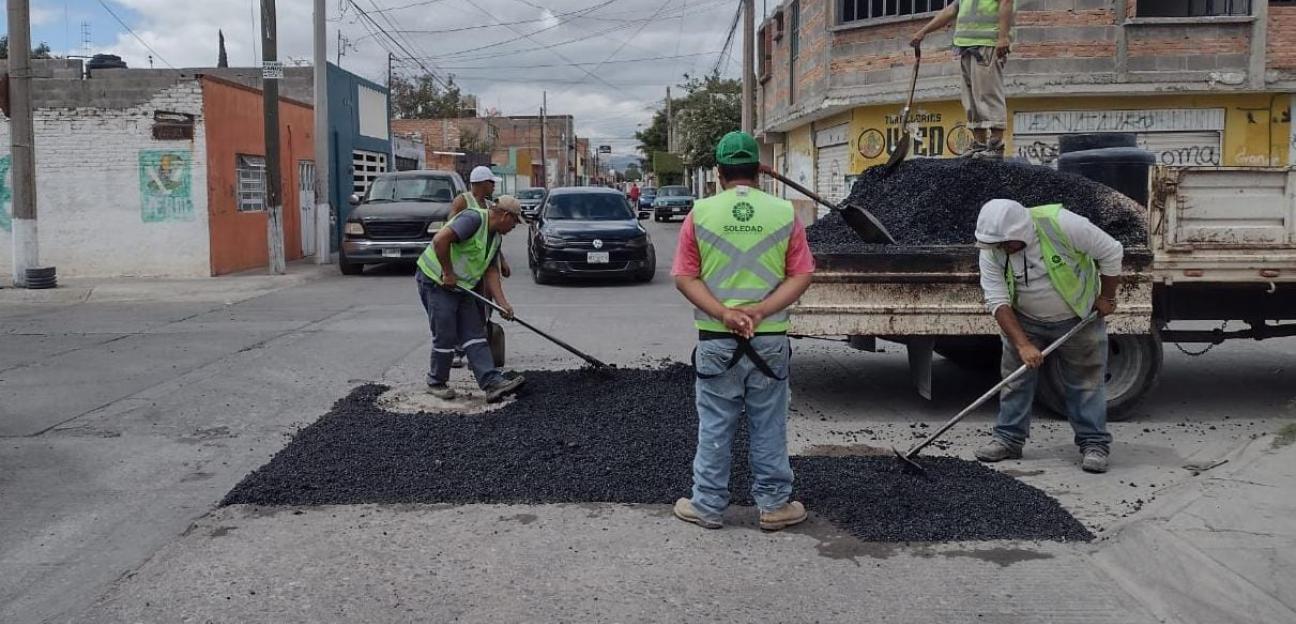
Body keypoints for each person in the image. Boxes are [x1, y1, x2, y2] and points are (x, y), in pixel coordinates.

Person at [671, 131, 816, 531]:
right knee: (768, 424)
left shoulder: (699, 213)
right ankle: (773, 506)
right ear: (758, 170)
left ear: (718, 173)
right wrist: (762, 309)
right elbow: (802, 274)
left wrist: (724, 313)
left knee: (716, 423)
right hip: (769, 340)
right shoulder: (785, 213)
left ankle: (707, 506)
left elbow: (685, 277)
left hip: (716, 340)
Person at [972, 199, 1123, 473]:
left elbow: (1111, 251)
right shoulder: (992, 250)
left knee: (1085, 383)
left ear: (1022, 231)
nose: (1004, 248)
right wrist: (1023, 344)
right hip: (1024, 321)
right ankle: (1008, 439)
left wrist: (1107, 296)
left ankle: (1094, 444)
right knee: (1015, 381)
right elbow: (997, 300)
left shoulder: (1063, 224)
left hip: (1079, 317)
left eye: (1008, 242)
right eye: (998, 244)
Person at [416, 194, 527, 403]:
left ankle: (492, 383)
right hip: (436, 281)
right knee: (446, 333)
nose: (514, 227)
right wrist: (448, 272)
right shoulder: (473, 220)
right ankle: (436, 382)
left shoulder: (495, 238)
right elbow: (440, 240)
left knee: (475, 333)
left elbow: (491, 272)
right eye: (514, 222)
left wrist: (502, 304)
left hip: (462, 288)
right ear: (505, 216)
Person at [911, 0, 1015, 159]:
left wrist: (1003, 37)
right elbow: (951, 10)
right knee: (971, 99)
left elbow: (1006, 2)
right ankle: (979, 144)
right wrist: (923, 31)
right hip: (966, 47)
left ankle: (996, 145)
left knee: (988, 93)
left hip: (987, 44)